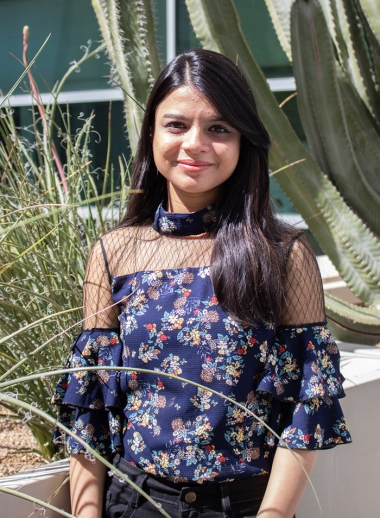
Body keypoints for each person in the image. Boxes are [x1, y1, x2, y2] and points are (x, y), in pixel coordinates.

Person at [53, 49, 351, 518]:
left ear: (243, 141)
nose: (195, 144)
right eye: (176, 125)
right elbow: (89, 409)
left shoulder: (284, 254)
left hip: (245, 505)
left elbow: (304, 409)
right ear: (151, 132)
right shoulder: (113, 253)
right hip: (136, 503)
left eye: (218, 128)